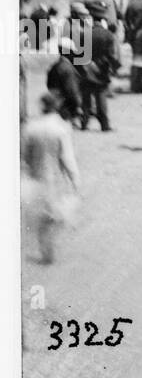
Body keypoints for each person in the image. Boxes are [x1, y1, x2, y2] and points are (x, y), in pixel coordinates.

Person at [22, 94, 81, 263]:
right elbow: (67, 157)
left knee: (41, 214)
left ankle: (45, 249)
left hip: (35, 177)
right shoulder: (61, 128)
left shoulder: (31, 127)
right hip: (55, 177)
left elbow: (24, 155)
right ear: (56, 106)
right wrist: (74, 177)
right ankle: (49, 248)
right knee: (56, 214)